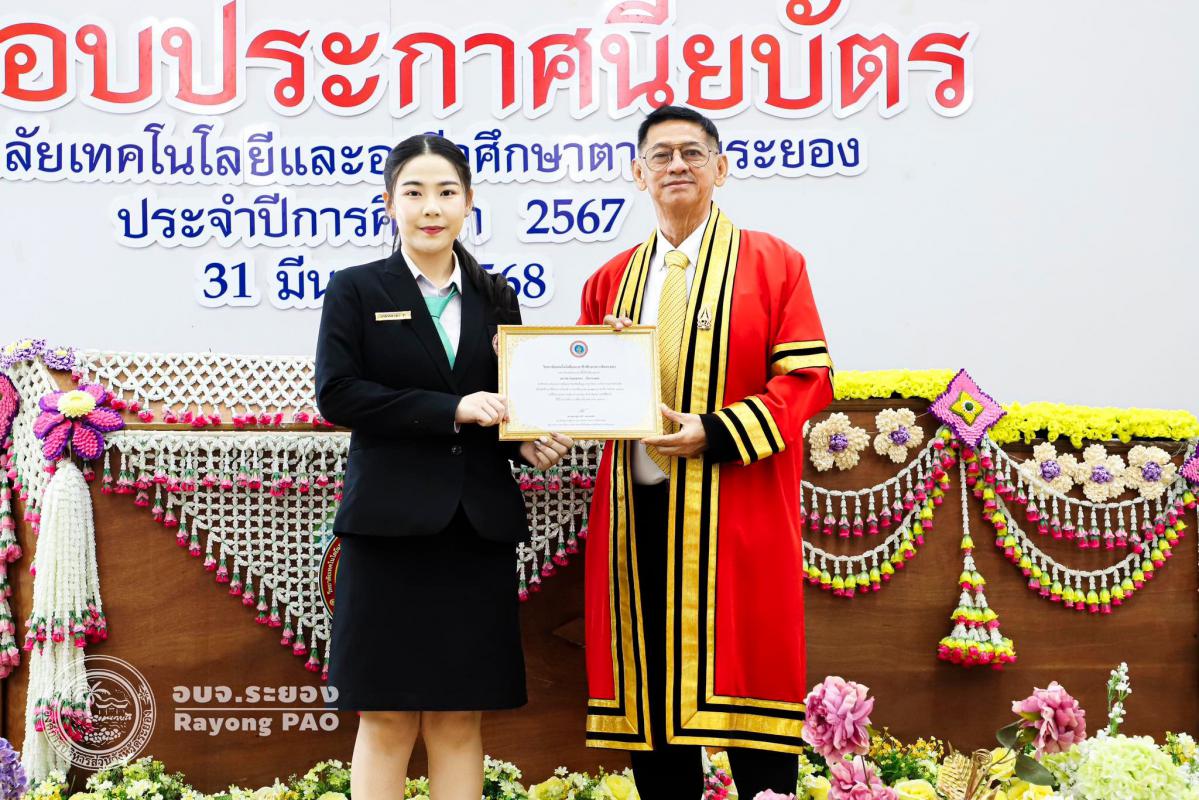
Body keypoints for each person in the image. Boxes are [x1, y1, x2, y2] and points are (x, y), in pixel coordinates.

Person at [577, 106, 835, 797]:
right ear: (638, 173)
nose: (676, 166)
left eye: (692, 153)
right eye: (659, 155)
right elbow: (578, 395)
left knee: (751, 695)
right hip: (636, 513)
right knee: (652, 701)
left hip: (735, 508)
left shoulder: (773, 264)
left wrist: (714, 433)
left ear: (720, 168)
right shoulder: (609, 281)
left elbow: (807, 380)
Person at [314, 133, 573, 800]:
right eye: (414, 192)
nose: (431, 207)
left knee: (460, 716)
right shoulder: (355, 289)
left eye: (446, 192)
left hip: (473, 532)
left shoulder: (496, 296)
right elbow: (337, 394)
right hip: (387, 533)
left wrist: (525, 445)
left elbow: (505, 407)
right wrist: (451, 409)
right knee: (386, 714)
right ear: (389, 203)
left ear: (469, 202)